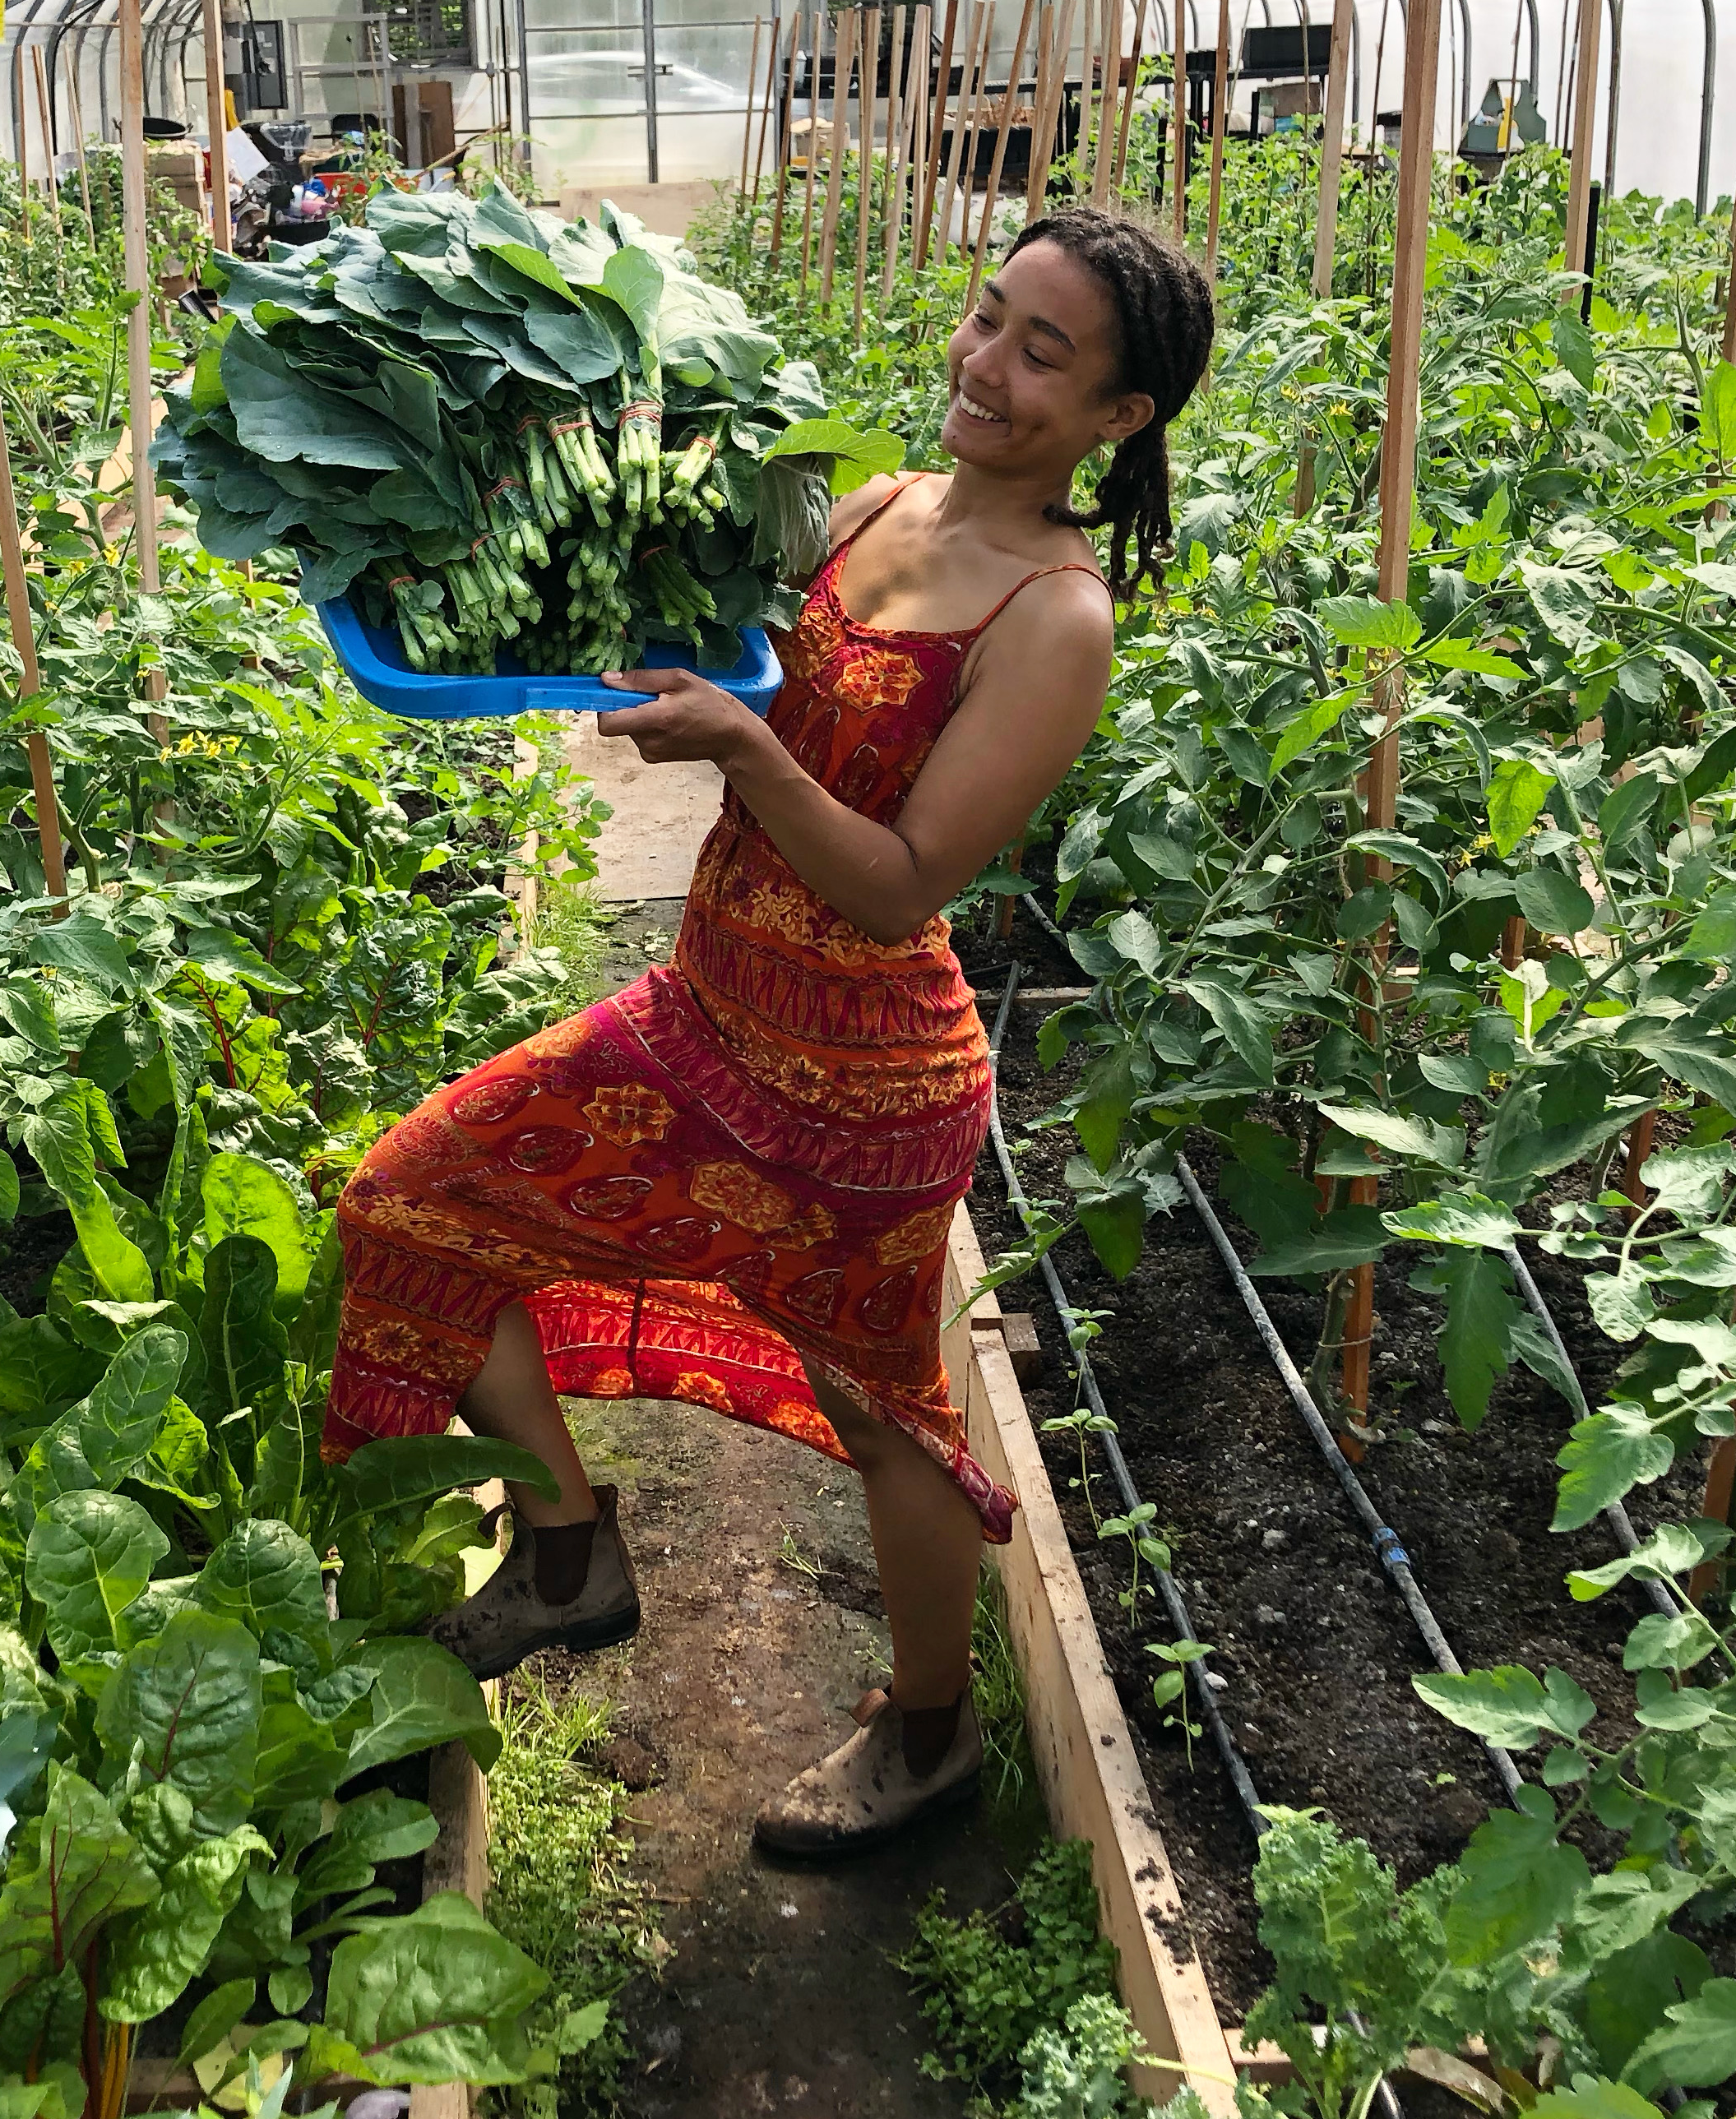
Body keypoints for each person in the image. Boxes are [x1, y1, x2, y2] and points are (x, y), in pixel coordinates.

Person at [321, 206, 1215, 1856]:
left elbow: (898, 884)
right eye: (986, 316)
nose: (988, 365)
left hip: (867, 1090)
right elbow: (740, 672)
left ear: (1120, 415)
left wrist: (746, 749)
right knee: (407, 1203)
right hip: (706, 1016)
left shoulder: (1055, 619)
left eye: (1045, 351)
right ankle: (572, 1550)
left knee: (883, 1417)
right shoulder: (872, 500)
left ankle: (932, 1735)